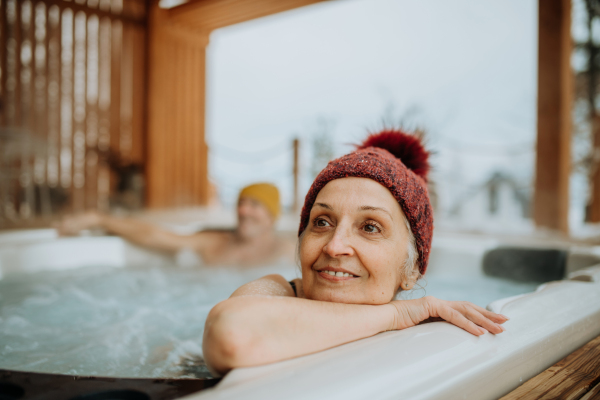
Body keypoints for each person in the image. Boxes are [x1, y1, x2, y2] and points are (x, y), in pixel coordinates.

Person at [202, 129, 509, 376]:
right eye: (322, 222)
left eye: (370, 227)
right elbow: (231, 334)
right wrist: (396, 313)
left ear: (411, 270)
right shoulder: (275, 291)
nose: (334, 246)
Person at [56, 183, 295, 266]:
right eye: (241, 203)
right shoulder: (213, 242)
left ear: (272, 215)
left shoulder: (288, 250)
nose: (243, 210)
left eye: (255, 204)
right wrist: (100, 219)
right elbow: (154, 236)